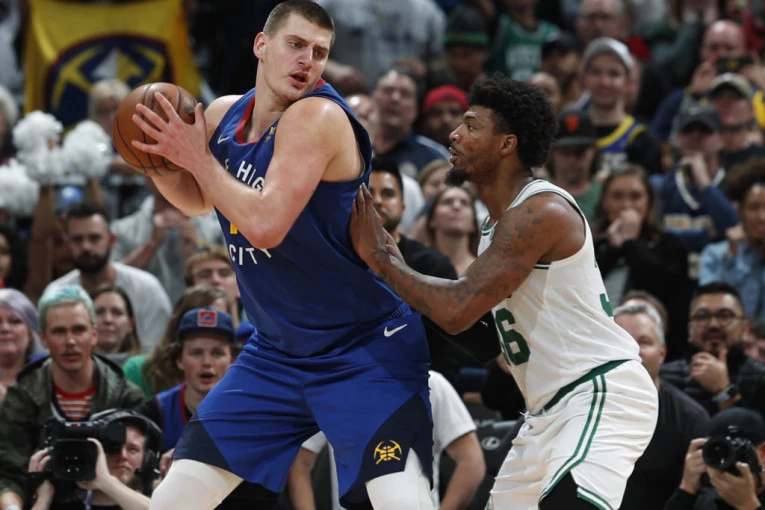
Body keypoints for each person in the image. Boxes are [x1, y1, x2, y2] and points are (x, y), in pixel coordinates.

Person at [130, 2, 439, 508]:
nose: (307, 61)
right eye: (296, 45)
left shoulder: (319, 116)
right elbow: (198, 199)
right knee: (173, 501)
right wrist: (157, 158)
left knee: (400, 503)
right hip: (276, 354)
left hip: (362, 349)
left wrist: (196, 158)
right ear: (262, 45)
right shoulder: (222, 114)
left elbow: (265, 226)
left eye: (320, 52)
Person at [349, 75, 659, 510]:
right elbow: (484, 339)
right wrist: (393, 281)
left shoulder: (541, 209)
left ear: (506, 144)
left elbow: (456, 309)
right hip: (545, 411)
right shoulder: (495, 227)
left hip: (597, 391)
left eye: (471, 125)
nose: (454, 134)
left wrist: (381, 259)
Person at [0, 285, 144, 510]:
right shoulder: (23, 395)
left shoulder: (125, 396)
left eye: (79, 330)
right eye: (59, 332)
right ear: (43, 338)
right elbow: (9, 474)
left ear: (94, 335)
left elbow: (138, 473)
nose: (70, 341)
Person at [613, 303, 710, 510]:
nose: (633, 351)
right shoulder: (577, 407)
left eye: (644, 342)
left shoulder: (691, 419)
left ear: (662, 353)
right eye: (622, 340)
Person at [27, 409, 160, 510]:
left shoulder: (156, 499)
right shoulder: (65, 502)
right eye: (113, 447)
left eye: (133, 449)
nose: (123, 455)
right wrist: (43, 499)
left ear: (147, 459)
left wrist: (107, 483)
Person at [664, 407, 765, 509]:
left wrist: (748, 504)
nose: (731, 461)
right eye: (720, 453)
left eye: (741, 454)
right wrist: (686, 489)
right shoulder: (704, 501)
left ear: (763, 452)